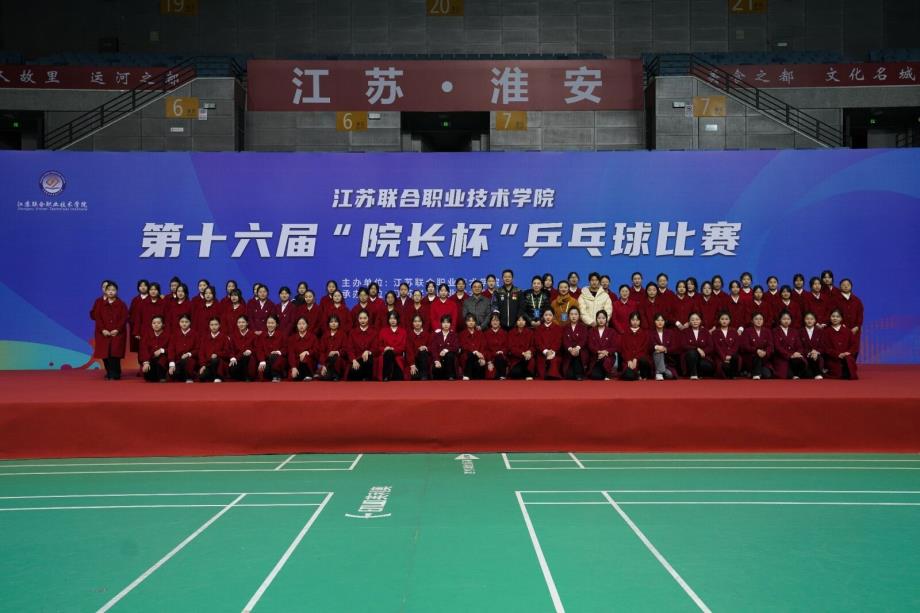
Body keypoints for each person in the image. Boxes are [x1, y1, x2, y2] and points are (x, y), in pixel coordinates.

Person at [93, 282, 128, 381]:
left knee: (114, 354)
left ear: (116, 291)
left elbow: (124, 318)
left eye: (113, 290)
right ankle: (109, 372)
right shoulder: (101, 304)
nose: (111, 292)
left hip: (117, 333)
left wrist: (117, 329)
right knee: (105, 354)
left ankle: (115, 373)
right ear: (105, 291)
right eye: (109, 290)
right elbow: (98, 318)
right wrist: (103, 329)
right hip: (103, 333)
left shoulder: (121, 304)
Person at [823, 308, 858, 380]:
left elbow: (854, 345)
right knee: (837, 372)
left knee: (849, 365)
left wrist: (848, 352)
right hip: (833, 358)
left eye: (837, 316)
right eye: (833, 316)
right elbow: (825, 348)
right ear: (830, 317)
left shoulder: (848, 331)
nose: (835, 318)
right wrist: (837, 354)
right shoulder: (826, 332)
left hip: (847, 357)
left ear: (841, 318)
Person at [772, 311, 808, 380]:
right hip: (781, 357)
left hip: (794, 356)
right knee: (786, 374)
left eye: (788, 319)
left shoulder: (794, 331)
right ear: (780, 320)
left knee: (801, 364)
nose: (786, 321)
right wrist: (789, 355)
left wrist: (798, 352)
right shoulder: (775, 331)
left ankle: (796, 373)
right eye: (784, 319)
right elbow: (777, 347)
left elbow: (799, 346)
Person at [681, 313, 715, 380]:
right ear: (689, 322)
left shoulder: (705, 331)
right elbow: (683, 345)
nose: (695, 321)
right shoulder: (685, 331)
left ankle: (698, 373)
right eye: (692, 320)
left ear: (700, 321)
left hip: (702, 357)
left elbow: (710, 346)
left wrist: (703, 351)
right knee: (692, 353)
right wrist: (697, 349)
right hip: (689, 357)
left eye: (697, 319)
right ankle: (693, 374)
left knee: (706, 366)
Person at [587, 310, 618, 380]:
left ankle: (607, 373)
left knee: (600, 373)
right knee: (595, 376)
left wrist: (605, 352)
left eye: (603, 318)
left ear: (606, 319)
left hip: (607, 357)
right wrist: (598, 352)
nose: (601, 320)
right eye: (599, 318)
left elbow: (614, 347)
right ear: (596, 319)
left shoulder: (612, 331)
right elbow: (590, 345)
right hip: (596, 357)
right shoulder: (591, 331)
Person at [740, 312, 773, 380]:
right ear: (752, 321)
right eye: (756, 319)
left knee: (767, 375)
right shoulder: (747, 331)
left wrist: (766, 352)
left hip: (764, 358)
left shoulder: (767, 331)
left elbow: (770, 345)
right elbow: (745, 346)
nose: (759, 321)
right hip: (751, 358)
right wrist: (756, 350)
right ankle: (755, 373)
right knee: (757, 359)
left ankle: (753, 373)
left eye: (761, 319)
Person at [377, 311, 408, 381]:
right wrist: (385, 349)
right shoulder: (383, 331)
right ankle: (386, 376)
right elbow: (379, 346)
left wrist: (393, 349)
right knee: (388, 353)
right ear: (388, 320)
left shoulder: (403, 331)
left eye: (394, 318)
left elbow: (403, 347)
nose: (393, 320)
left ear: (398, 319)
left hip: (398, 357)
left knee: (398, 378)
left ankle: (388, 375)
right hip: (386, 355)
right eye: (391, 318)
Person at [619, 312, 651, 381]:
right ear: (630, 321)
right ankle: (637, 375)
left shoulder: (644, 333)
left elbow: (644, 349)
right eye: (633, 320)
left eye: (637, 320)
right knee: (629, 376)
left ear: (640, 321)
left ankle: (642, 374)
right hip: (629, 361)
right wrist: (628, 360)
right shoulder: (625, 333)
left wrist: (636, 358)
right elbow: (623, 349)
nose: (635, 322)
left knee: (644, 361)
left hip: (640, 361)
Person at [835, 278, 863, 356]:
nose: (846, 286)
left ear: (851, 286)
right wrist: (841, 325)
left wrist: (857, 326)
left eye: (848, 285)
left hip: (855, 330)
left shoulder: (857, 300)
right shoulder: (835, 300)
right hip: (840, 329)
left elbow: (860, 315)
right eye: (843, 285)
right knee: (841, 349)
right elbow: (833, 314)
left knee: (854, 349)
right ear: (840, 287)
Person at [168, 313, 198, 383]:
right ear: (179, 323)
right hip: (178, 361)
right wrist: (172, 364)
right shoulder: (174, 335)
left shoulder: (195, 334)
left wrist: (189, 354)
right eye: (182, 322)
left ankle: (189, 377)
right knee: (170, 376)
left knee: (187, 361)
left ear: (190, 323)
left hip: (191, 361)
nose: (184, 324)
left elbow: (198, 349)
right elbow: (171, 350)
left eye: (186, 322)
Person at [533, 307, 563, 380]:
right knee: (542, 373)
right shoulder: (538, 329)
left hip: (554, 354)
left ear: (553, 316)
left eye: (550, 315)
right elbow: (537, 343)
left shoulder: (558, 328)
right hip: (542, 354)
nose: (548, 317)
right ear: (543, 316)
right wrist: (546, 351)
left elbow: (558, 342)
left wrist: (552, 352)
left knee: (554, 362)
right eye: (546, 315)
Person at [648, 313, 679, 380]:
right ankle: (659, 373)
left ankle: (659, 372)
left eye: (662, 320)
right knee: (658, 351)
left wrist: (665, 349)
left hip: (667, 362)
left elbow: (675, 348)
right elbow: (648, 347)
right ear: (654, 321)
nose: (660, 322)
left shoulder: (670, 332)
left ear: (665, 322)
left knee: (670, 375)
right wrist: (656, 347)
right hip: (654, 361)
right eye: (658, 320)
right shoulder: (650, 333)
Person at [256, 315, 287, 382]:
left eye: (272, 323)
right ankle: (272, 375)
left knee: (274, 356)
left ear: (277, 324)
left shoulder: (282, 335)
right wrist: (262, 360)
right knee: (262, 373)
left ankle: (276, 376)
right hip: (266, 361)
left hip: (279, 360)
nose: (270, 325)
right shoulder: (262, 335)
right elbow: (259, 350)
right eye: (268, 323)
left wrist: (278, 352)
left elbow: (285, 348)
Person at [198, 317, 229, 383]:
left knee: (215, 360)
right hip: (208, 364)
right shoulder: (205, 338)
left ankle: (218, 376)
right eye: (211, 325)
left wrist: (217, 354)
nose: (214, 327)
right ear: (209, 326)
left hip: (220, 364)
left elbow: (227, 352)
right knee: (201, 377)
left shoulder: (224, 337)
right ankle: (212, 376)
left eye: (216, 324)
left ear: (219, 325)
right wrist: (203, 365)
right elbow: (201, 353)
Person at [348, 310, 376, 381]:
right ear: (358, 319)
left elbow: (375, 348)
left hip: (368, 361)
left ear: (368, 318)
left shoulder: (374, 332)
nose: (362, 320)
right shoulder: (352, 332)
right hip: (356, 360)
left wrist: (368, 351)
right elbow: (350, 348)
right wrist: (353, 360)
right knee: (353, 375)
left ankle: (367, 377)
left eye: (365, 318)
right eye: (360, 318)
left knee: (368, 358)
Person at [140, 315, 170, 382]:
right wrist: (146, 362)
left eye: (159, 323)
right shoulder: (146, 336)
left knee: (162, 360)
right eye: (154, 323)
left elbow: (172, 350)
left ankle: (163, 376)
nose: (156, 325)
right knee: (148, 376)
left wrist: (162, 350)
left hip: (163, 360)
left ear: (163, 325)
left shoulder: (168, 335)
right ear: (151, 325)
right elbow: (144, 350)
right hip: (151, 360)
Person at [561, 306, 588, 380]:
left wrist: (577, 348)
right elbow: (564, 340)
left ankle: (579, 373)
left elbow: (584, 339)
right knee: (569, 376)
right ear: (568, 316)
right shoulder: (565, 327)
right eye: (571, 314)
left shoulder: (583, 327)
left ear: (579, 316)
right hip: (568, 352)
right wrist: (570, 349)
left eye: (576, 314)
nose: (573, 316)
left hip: (580, 351)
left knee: (578, 355)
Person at [288, 316, 319, 381]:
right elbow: (291, 354)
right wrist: (293, 367)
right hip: (297, 364)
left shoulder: (313, 337)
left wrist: (307, 352)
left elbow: (316, 350)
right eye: (299, 324)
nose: (301, 326)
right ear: (296, 325)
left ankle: (308, 374)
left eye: (303, 324)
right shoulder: (292, 338)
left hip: (310, 363)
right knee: (293, 377)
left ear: (307, 325)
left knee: (305, 358)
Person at [713, 312, 742, 379]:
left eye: (726, 319)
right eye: (722, 319)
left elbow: (736, 346)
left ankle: (734, 375)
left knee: (735, 358)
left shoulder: (734, 331)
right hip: (720, 357)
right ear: (719, 320)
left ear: (729, 320)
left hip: (732, 356)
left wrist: (730, 355)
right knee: (725, 367)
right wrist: (724, 357)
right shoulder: (715, 332)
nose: (724, 321)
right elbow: (716, 347)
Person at [228, 315, 258, 381]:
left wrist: (250, 351)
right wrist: (232, 357)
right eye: (239, 322)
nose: (241, 324)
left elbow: (257, 348)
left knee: (246, 357)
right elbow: (230, 349)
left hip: (249, 360)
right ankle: (243, 376)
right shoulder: (233, 336)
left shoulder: (253, 335)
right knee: (232, 370)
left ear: (247, 323)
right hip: (238, 359)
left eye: (243, 322)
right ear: (237, 324)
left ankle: (248, 376)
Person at [318, 315, 347, 381]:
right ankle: (329, 373)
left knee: (335, 357)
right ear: (328, 324)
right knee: (326, 378)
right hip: (327, 361)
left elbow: (345, 349)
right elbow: (322, 352)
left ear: (339, 323)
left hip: (339, 361)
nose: (333, 323)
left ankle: (335, 374)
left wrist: (337, 352)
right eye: (331, 322)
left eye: (335, 322)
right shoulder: (324, 336)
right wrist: (323, 364)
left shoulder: (343, 335)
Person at [506, 313, 535, 380]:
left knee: (530, 361)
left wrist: (529, 351)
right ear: (516, 322)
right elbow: (511, 348)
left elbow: (533, 346)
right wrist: (522, 353)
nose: (521, 322)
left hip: (527, 358)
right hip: (516, 359)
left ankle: (528, 374)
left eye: (523, 320)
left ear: (525, 322)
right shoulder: (511, 333)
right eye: (519, 320)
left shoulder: (530, 332)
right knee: (515, 374)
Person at [430, 315, 460, 380]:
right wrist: (436, 360)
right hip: (439, 360)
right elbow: (433, 349)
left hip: (450, 363)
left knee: (449, 354)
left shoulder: (454, 335)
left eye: (448, 322)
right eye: (444, 322)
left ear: (450, 324)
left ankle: (450, 376)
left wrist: (446, 350)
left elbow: (456, 347)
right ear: (441, 323)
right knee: (437, 371)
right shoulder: (436, 335)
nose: (446, 324)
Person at [459, 313, 487, 380]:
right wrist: (475, 352)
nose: (471, 323)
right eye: (469, 321)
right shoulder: (462, 334)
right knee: (471, 355)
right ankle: (467, 374)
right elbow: (463, 346)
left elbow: (483, 346)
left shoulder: (480, 333)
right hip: (467, 356)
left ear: (475, 322)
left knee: (479, 368)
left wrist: (482, 357)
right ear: (466, 322)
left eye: (473, 321)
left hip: (479, 357)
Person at [799, 312, 825, 380]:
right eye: (807, 319)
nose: (809, 321)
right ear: (804, 320)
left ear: (815, 320)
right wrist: (809, 352)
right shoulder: (800, 332)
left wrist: (816, 352)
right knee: (808, 375)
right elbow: (799, 346)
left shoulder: (820, 331)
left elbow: (823, 346)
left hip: (817, 356)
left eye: (811, 319)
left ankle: (817, 373)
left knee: (816, 358)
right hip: (805, 355)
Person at [406, 314, 432, 381]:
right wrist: (412, 364)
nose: (417, 323)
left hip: (425, 361)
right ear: (412, 323)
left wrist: (426, 347)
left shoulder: (427, 334)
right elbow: (409, 351)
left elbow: (432, 347)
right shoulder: (409, 335)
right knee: (414, 377)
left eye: (419, 321)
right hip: (414, 361)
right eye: (415, 321)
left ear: (422, 322)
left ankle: (424, 375)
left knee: (423, 351)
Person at [483, 313, 508, 380]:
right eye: (493, 320)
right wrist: (489, 361)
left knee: (500, 357)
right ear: (490, 322)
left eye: (497, 320)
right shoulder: (486, 333)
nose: (495, 322)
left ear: (499, 322)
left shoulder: (505, 333)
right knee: (491, 376)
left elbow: (507, 347)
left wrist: (502, 351)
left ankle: (503, 374)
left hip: (502, 358)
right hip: (490, 358)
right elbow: (485, 349)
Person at [128, 279, 149, 356]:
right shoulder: (135, 300)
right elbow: (130, 314)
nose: (143, 287)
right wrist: (134, 328)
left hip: (149, 329)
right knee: (139, 351)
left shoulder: (151, 299)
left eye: (145, 285)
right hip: (137, 329)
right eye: (141, 286)